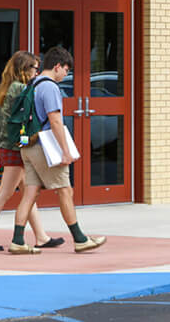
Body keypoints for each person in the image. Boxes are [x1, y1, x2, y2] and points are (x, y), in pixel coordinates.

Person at [9, 46, 106, 254]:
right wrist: (65, 151)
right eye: (66, 70)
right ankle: (80, 239)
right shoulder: (50, 87)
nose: (66, 75)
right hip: (46, 146)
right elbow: (55, 120)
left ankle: (18, 240)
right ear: (57, 66)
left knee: (30, 193)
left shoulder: (32, 83)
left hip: (28, 145)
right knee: (65, 190)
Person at [0, 51, 63, 251]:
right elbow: (26, 121)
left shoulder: (8, 88)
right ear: (25, 69)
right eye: (35, 68)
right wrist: (28, 142)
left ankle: (41, 237)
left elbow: (1, 124)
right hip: (14, 149)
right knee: (5, 193)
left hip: (8, 146)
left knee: (28, 193)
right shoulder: (21, 89)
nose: (37, 72)